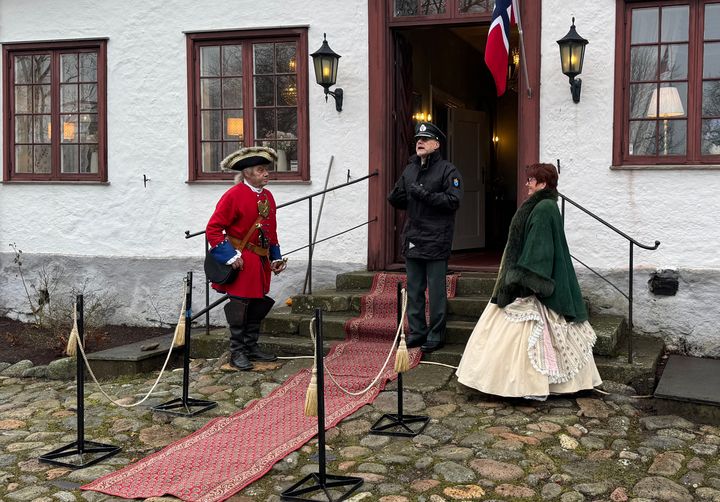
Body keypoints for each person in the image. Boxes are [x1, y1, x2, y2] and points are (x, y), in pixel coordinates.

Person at [456, 163, 602, 399]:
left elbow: (540, 250)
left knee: (525, 334)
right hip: (532, 277)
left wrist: (525, 281)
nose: (527, 184)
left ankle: (527, 385)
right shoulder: (544, 205)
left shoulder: (544, 209)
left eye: (531, 180)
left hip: (534, 283)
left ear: (543, 184)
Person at [206, 146, 287, 371]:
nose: (266, 173)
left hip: (260, 261)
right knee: (239, 306)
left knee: (258, 304)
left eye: (266, 170)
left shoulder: (268, 196)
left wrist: (275, 257)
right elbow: (213, 229)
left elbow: (271, 231)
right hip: (242, 260)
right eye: (261, 170)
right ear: (247, 173)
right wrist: (230, 256)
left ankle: (251, 347)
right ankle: (237, 353)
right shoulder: (233, 195)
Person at [387, 121, 463, 353]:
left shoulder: (448, 170)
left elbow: (453, 201)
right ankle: (417, 332)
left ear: (436, 144)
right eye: (418, 140)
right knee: (414, 288)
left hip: (437, 237)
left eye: (425, 140)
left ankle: (436, 333)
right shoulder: (410, 168)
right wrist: (396, 197)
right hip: (414, 235)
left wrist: (426, 195)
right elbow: (403, 197)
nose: (419, 142)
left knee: (436, 290)